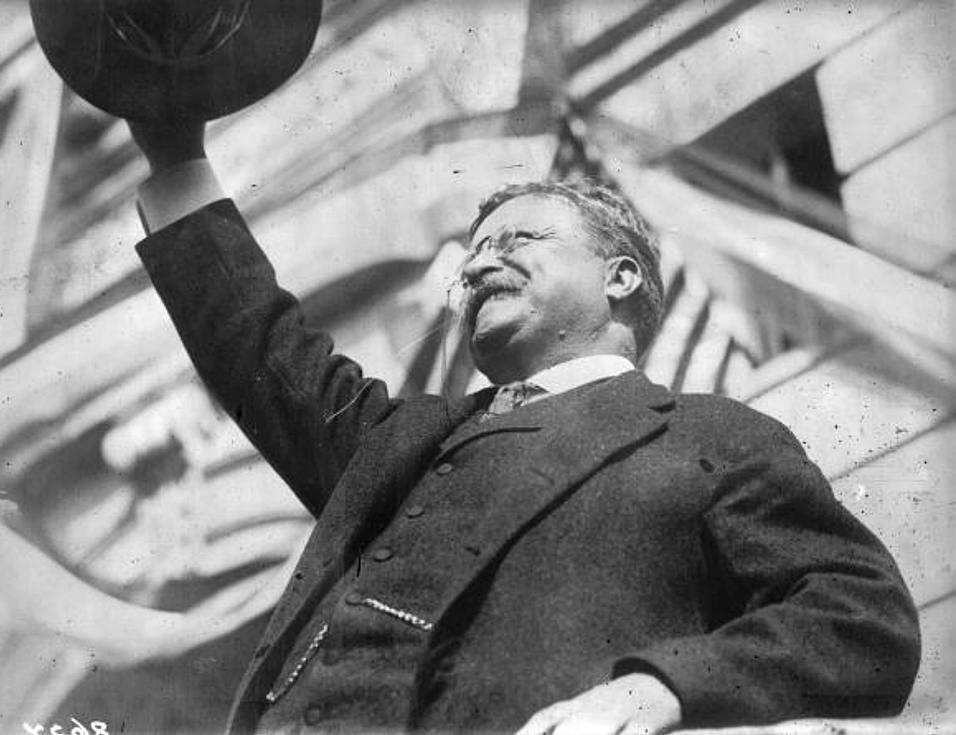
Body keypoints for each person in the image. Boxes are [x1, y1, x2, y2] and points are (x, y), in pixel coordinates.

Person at [127, 120, 920, 735]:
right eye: (471, 255)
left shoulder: (710, 434)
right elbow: (258, 345)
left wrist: (660, 687)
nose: (475, 268)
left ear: (621, 277)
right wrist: (172, 155)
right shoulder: (395, 441)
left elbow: (860, 614)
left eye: (518, 240)